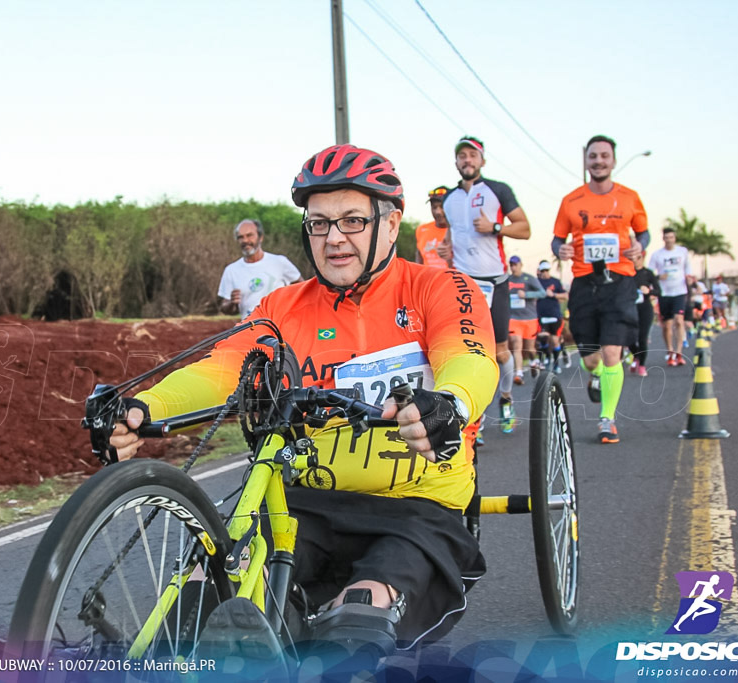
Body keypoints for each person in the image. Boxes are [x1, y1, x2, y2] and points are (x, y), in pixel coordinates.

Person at [111, 144, 497, 657]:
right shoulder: (281, 308)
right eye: (319, 224)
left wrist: (448, 403)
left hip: (416, 510)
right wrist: (145, 408)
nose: (334, 239)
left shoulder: (440, 287)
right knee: (205, 603)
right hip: (302, 509)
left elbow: (469, 358)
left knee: (360, 620)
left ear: (391, 222)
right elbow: (222, 370)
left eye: (353, 221)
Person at [553, 135, 649, 444]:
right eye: (593, 156)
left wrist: (638, 248)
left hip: (620, 281)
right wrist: (561, 250)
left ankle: (607, 419)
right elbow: (557, 239)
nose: (598, 161)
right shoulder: (571, 200)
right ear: (586, 161)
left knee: (613, 352)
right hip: (584, 284)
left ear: (613, 160)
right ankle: (594, 375)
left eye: (604, 156)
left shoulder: (630, 197)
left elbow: (643, 235)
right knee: (592, 358)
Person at [442, 135, 531, 435]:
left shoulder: (498, 190)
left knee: (500, 351)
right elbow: (452, 235)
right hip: (464, 284)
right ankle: (473, 417)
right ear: (456, 162)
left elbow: (525, 228)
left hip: (495, 282)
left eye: (472, 155)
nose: (467, 160)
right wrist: (446, 249)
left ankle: (505, 399)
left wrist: (495, 227)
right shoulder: (449, 198)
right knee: (466, 352)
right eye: (462, 156)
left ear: (482, 160)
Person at [217, 218, 302, 318]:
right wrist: (232, 303)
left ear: (260, 237)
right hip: (250, 329)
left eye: (249, 235)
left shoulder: (280, 262)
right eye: (240, 237)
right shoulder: (231, 270)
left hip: (278, 328)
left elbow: (302, 288)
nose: (245, 240)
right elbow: (225, 308)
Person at [647, 226, 693, 367]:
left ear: (675, 238)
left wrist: (689, 279)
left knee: (679, 321)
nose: (669, 240)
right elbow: (649, 274)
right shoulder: (657, 255)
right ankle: (670, 351)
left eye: (671, 237)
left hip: (679, 291)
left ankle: (679, 353)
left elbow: (687, 269)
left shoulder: (682, 252)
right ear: (663, 239)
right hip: (664, 292)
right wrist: (659, 276)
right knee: (667, 325)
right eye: (666, 238)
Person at [506, 256, 545, 384]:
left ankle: (534, 360)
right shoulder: (508, 280)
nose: (513, 267)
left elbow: (542, 293)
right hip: (514, 318)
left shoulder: (529, 279)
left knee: (529, 349)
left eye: (515, 265)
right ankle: (519, 373)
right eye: (511, 265)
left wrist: (526, 295)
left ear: (521, 265)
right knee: (516, 344)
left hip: (529, 318)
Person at [629, 250, 661, 376]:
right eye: (632, 258)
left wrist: (649, 291)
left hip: (645, 308)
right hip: (630, 308)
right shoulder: (627, 274)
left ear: (641, 258)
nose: (634, 260)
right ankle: (636, 355)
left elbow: (659, 291)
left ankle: (642, 365)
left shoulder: (648, 273)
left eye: (637, 258)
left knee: (642, 337)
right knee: (628, 337)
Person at [535, 260, 568, 374]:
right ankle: (548, 356)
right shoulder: (536, 282)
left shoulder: (556, 282)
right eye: (542, 270)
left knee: (555, 340)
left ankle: (556, 364)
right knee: (543, 339)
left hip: (554, 315)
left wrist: (553, 294)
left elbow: (565, 295)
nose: (544, 273)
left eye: (546, 270)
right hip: (541, 315)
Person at [415, 185, 453, 268]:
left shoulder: (460, 230)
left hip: (451, 279)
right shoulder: (422, 229)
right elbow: (419, 258)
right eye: (434, 207)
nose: (438, 212)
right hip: (428, 280)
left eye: (442, 207)